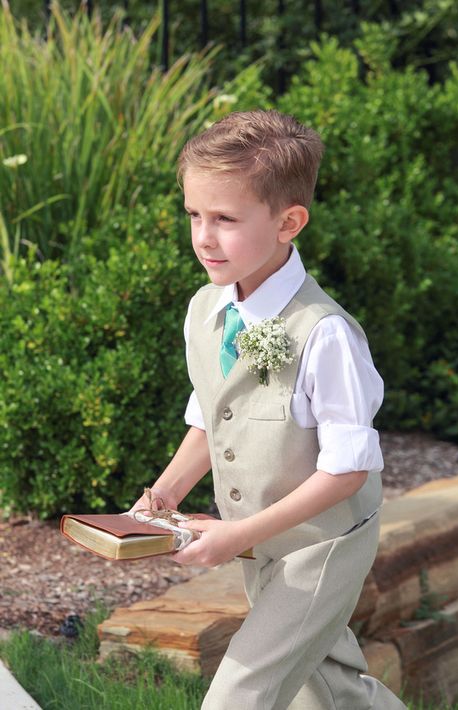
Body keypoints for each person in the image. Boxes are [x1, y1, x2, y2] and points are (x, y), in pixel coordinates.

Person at [130, 110, 406, 710]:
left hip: (322, 545)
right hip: (263, 539)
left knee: (240, 695)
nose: (204, 236)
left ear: (289, 223)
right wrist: (162, 497)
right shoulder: (205, 310)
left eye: (226, 219)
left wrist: (236, 537)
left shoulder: (326, 333)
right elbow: (211, 415)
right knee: (329, 688)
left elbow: (348, 471)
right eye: (195, 215)